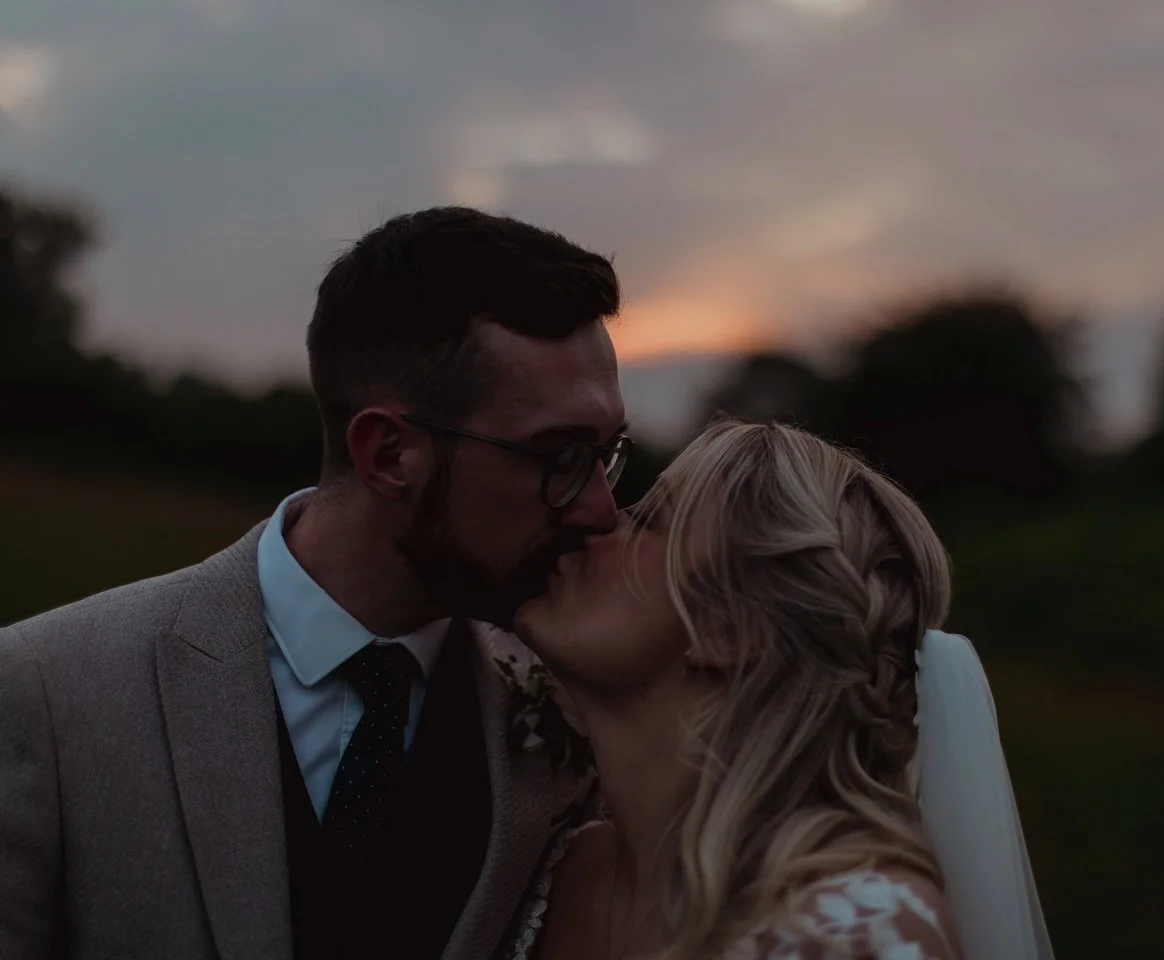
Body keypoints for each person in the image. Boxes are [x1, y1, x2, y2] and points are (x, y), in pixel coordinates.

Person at [0, 207, 627, 960]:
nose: (599, 508)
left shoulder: (573, 724)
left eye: (605, 453)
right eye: (558, 456)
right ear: (389, 453)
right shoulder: (47, 691)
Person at [509, 419, 1054, 959]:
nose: (600, 525)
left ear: (730, 629)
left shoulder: (851, 930)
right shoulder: (563, 870)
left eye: (651, 520)